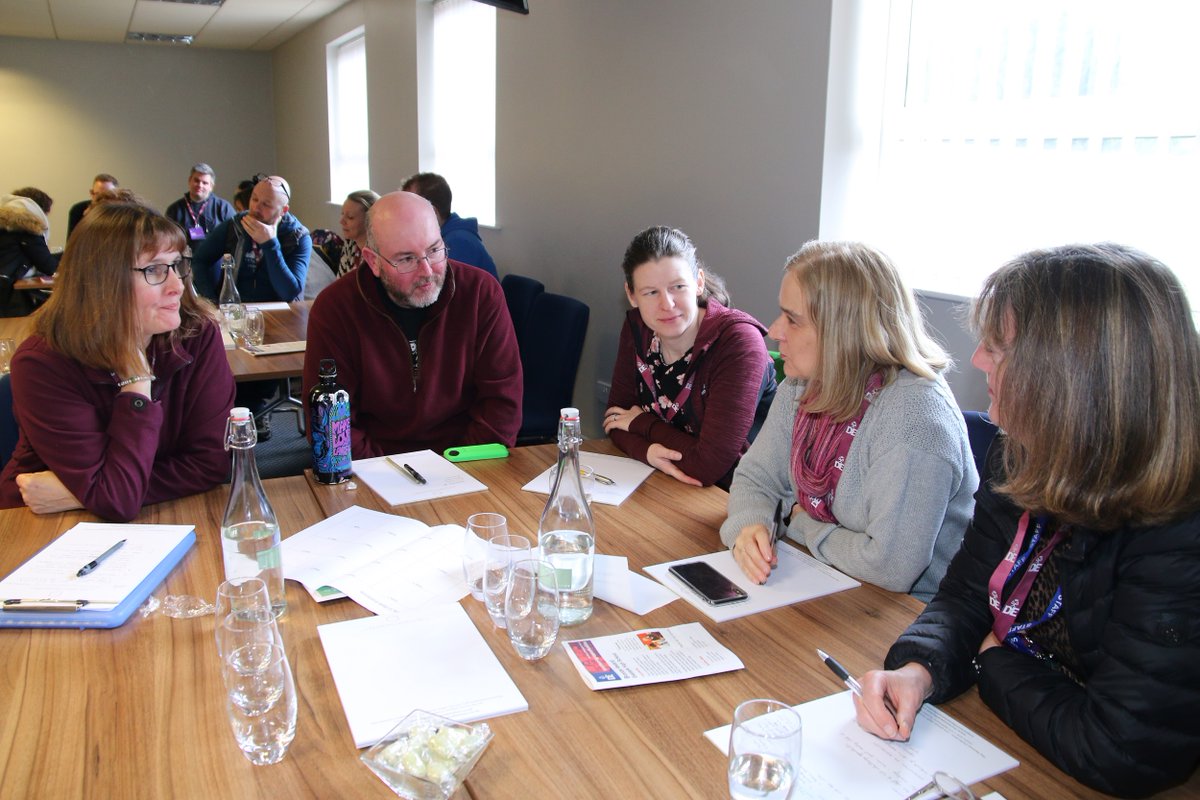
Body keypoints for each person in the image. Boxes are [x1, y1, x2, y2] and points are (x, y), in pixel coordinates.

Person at [854, 244, 1200, 797]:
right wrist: (919, 668)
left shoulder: (1179, 530)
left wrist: (991, 661)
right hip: (1021, 736)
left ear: (1076, 374)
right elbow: (966, 595)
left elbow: (1124, 752)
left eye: (998, 347)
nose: (979, 360)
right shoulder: (1022, 452)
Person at [720, 241, 977, 601]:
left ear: (844, 331)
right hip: (823, 575)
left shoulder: (915, 420)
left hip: (901, 610)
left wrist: (799, 522)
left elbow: (890, 567)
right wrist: (749, 526)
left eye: (793, 319)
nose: (774, 331)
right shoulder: (804, 382)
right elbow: (756, 477)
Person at [0, 202, 236, 521]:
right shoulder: (43, 362)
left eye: (177, 265)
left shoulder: (197, 333)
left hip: (143, 511)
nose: (177, 286)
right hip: (39, 523)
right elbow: (116, 499)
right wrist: (137, 383)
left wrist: (89, 493)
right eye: (154, 270)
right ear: (103, 281)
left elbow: (211, 464)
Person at [303, 191, 521, 458]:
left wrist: (456, 467)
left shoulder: (480, 294)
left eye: (434, 250)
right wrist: (383, 472)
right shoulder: (336, 308)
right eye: (407, 259)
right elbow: (332, 424)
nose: (427, 271)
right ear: (373, 261)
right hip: (373, 466)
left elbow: (501, 404)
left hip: (464, 461)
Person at [603, 226, 776, 489]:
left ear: (698, 283)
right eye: (651, 292)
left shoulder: (739, 342)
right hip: (669, 481)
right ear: (632, 295)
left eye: (678, 287)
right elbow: (614, 420)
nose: (667, 304)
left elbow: (709, 465)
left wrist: (640, 423)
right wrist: (647, 452)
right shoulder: (638, 327)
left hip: (736, 495)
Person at [192, 173, 311, 303]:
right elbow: (199, 260)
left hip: (279, 310)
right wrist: (211, 300)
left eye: (266, 204)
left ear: (284, 210)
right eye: (254, 199)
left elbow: (289, 293)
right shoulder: (235, 225)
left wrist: (270, 244)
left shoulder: (298, 237)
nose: (256, 208)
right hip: (236, 308)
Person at [400, 172, 497, 279]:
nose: (405, 216)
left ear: (432, 212)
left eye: (410, 209)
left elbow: (439, 286)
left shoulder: (458, 242)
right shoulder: (442, 236)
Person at [0, 188, 60, 312]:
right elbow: (47, 265)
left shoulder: (4, 224)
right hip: (6, 291)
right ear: (38, 210)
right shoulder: (27, 226)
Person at [164, 163, 235, 251]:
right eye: (196, 181)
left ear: (211, 186)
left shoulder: (224, 208)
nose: (200, 185)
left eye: (205, 183)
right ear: (189, 181)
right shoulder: (174, 210)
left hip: (215, 258)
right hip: (185, 258)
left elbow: (235, 237)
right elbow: (167, 239)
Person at [66, 173, 118, 238]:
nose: (103, 199)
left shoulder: (121, 214)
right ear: (91, 193)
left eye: (108, 195)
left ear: (116, 196)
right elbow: (72, 241)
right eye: (98, 195)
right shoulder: (79, 210)